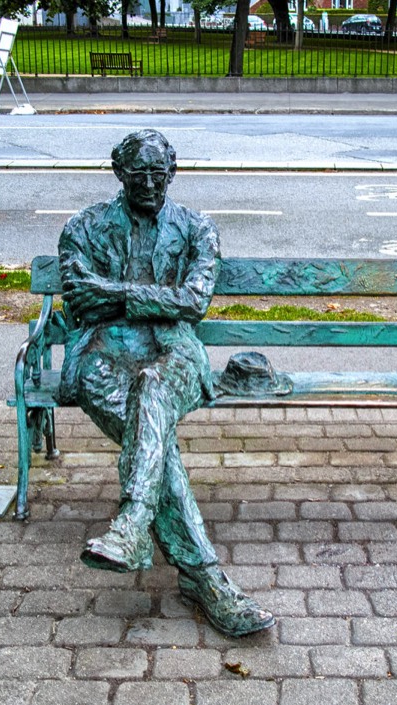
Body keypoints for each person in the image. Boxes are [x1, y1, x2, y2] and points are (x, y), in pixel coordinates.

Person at [56, 129, 274, 638]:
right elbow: (81, 301)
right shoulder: (83, 228)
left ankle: (135, 522)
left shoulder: (198, 229)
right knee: (156, 442)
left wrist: (118, 294)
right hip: (101, 356)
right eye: (139, 175)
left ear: (173, 173)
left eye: (160, 174)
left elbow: (194, 303)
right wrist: (151, 295)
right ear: (119, 172)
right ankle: (206, 580)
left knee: (152, 389)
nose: (151, 184)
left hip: (175, 352)